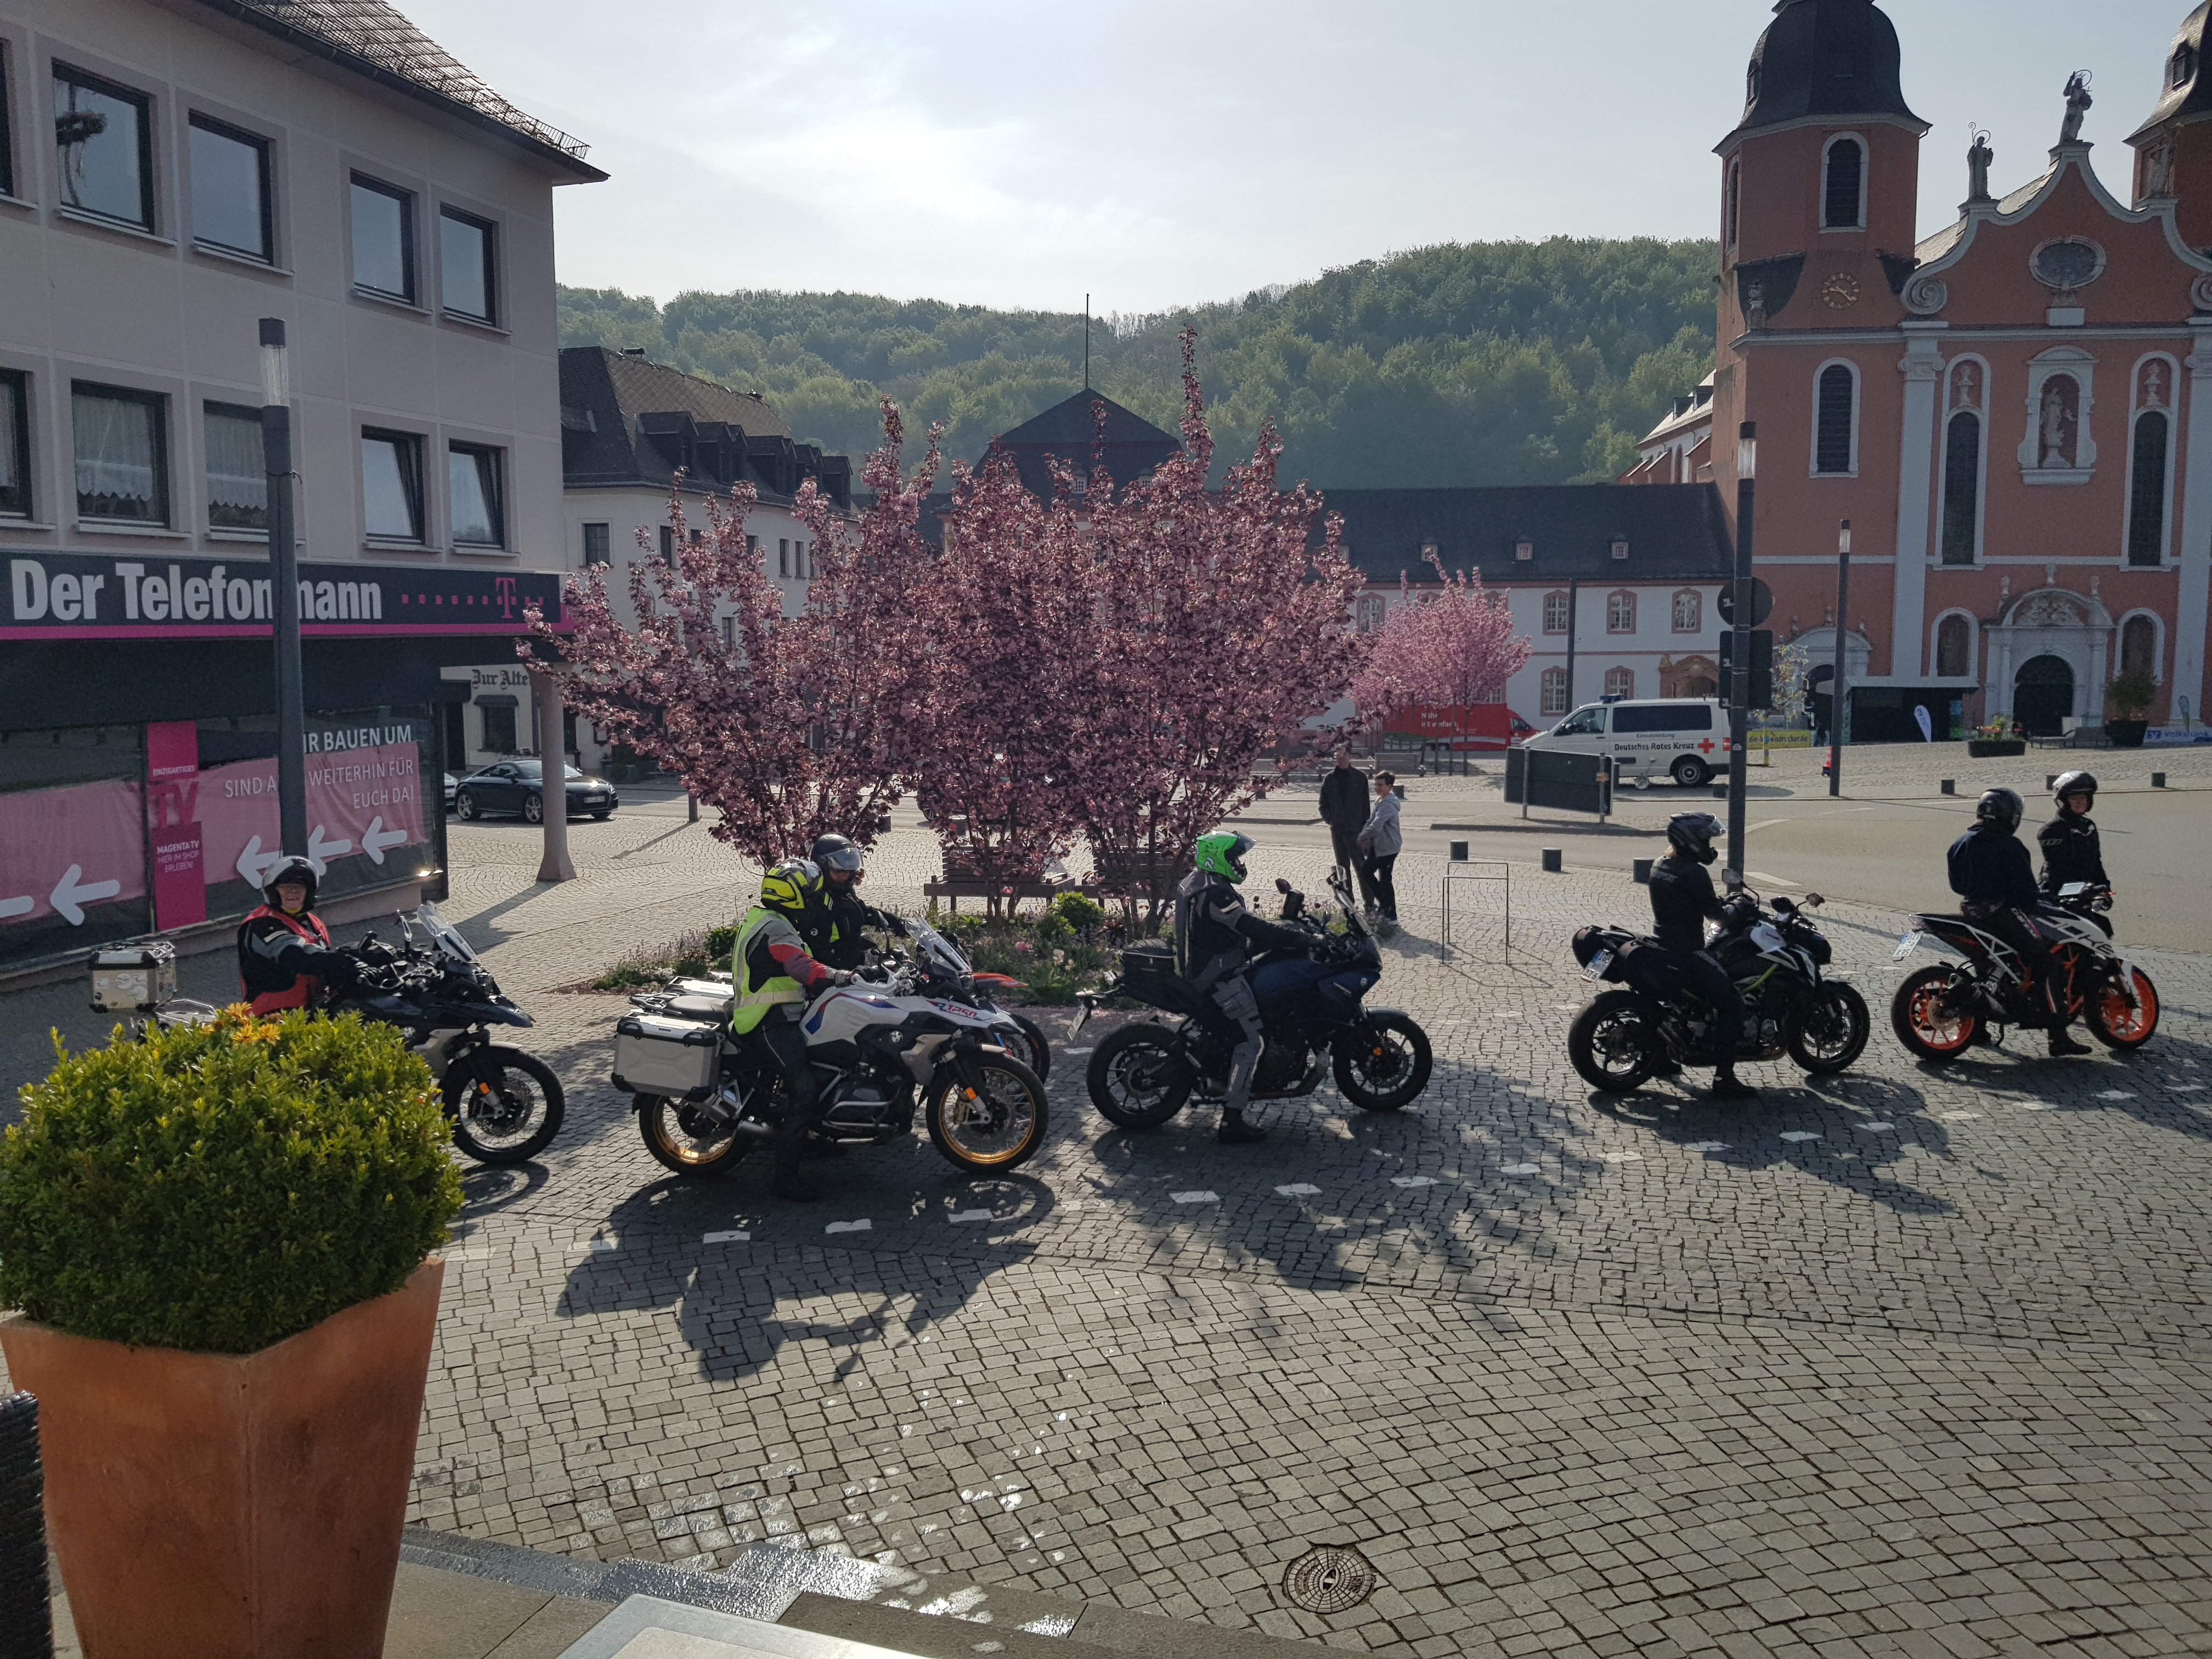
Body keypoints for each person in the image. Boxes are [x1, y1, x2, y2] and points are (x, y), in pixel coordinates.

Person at [1175, 831, 1317, 1144]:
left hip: (1213, 965)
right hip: (1217, 975)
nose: (1238, 864)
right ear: (1218, 859)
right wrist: (1297, 939)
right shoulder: (1217, 895)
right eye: (1234, 858)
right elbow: (1249, 926)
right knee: (1252, 1041)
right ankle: (1232, 1119)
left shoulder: (1201, 882)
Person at [730, 859, 858, 1200]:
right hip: (766, 1022)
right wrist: (839, 976)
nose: (817, 897)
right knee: (803, 1091)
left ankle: (818, 1137)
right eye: (812, 892)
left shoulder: (767, 918)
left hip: (784, 1015)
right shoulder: (777, 929)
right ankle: (785, 1180)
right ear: (797, 896)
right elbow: (800, 966)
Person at [1948, 788, 2089, 1056]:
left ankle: (1977, 1030)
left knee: (1986, 965)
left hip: (1970, 911)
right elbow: (2026, 894)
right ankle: (2058, 1035)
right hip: (2001, 912)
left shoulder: (1960, 842)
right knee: (2046, 962)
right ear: (2008, 815)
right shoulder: (2009, 845)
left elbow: (1956, 884)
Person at [1646, 814, 1760, 1099]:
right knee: (1733, 1004)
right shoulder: (1693, 872)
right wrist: (1739, 909)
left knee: (1672, 1004)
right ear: (1692, 841)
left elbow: (1689, 902)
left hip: (1661, 943)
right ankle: (1725, 1078)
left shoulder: (1661, 865)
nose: (1709, 845)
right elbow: (1717, 916)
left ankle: (1661, 1059)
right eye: (1706, 839)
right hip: (1688, 951)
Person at [236, 855, 358, 1014]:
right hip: (269, 1020)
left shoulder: (314, 923)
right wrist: (340, 961)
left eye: (300, 887)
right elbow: (295, 955)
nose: (293, 891)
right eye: (286, 887)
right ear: (273, 891)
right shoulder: (260, 924)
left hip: (311, 1012)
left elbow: (326, 969)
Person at [808, 832, 895, 970]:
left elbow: (863, 912)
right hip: (836, 979)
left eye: (849, 871)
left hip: (855, 972)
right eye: (839, 871)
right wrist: (848, 971)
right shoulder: (817, 903)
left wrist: (902, 925)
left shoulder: (843, 892)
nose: (846, 875)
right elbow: (818, 953)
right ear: (823, 868)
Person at [1317, 746, 1374, 906]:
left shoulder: (1359, 777)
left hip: (1356, 830)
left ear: (1349, 756)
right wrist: (1330, 820)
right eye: (1338, 755)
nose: (1340, 757)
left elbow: (1365, 806)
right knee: (1342, 869)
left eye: (1343, 754)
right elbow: (1323, 803)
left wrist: (1366, 831)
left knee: (1361, 867)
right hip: (1337, 830)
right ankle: (1348, 901)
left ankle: (1369, 902)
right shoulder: (1330, 779)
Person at [1356, 771, 1402, 922]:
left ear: (1389, 786)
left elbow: (1376, 826)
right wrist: (1363, 833)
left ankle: (1389, 911)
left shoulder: (1388, 805)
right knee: (1374, 875)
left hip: (1389, 848)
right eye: (1375, 784)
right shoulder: (1379, 801)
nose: (1377, 788)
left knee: (1377, 876)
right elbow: (1371, 820)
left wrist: (1362, 837)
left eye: (1381, 785)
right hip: (1379, 847)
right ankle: (1387, 908)